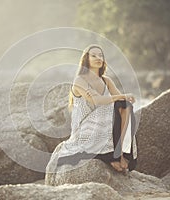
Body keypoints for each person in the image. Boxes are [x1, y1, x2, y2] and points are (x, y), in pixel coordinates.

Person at [46, 44, 137, 173]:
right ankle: (113, 156)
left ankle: (120, 153)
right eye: (93, 55)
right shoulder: (80, 80)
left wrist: (125, 98)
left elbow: (120, 100)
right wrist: (123, 96)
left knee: (126, 106)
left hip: (104, 120)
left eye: (100, 55)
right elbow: (97, 100)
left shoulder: (106, 80)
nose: (98, 58)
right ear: (86, 59)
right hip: (86, 125)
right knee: (119, 104)